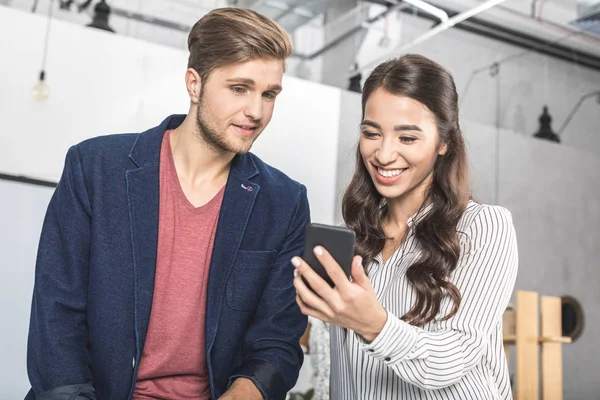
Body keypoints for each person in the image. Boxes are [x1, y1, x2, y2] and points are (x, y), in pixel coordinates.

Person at [26, 7, 310, 400]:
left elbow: (277, 340)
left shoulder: (285, 201)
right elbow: (56, 317)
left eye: (269, 94)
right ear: (194, 84)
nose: (257, 111)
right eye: (239, 88)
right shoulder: (94, 168)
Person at [292, 54, 518, 399]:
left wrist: (374, 324)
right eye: (371, 133)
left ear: (444, 143)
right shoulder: (349, 240)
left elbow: (452, 358)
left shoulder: (483, 226)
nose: (383, 154)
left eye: (407, 138)